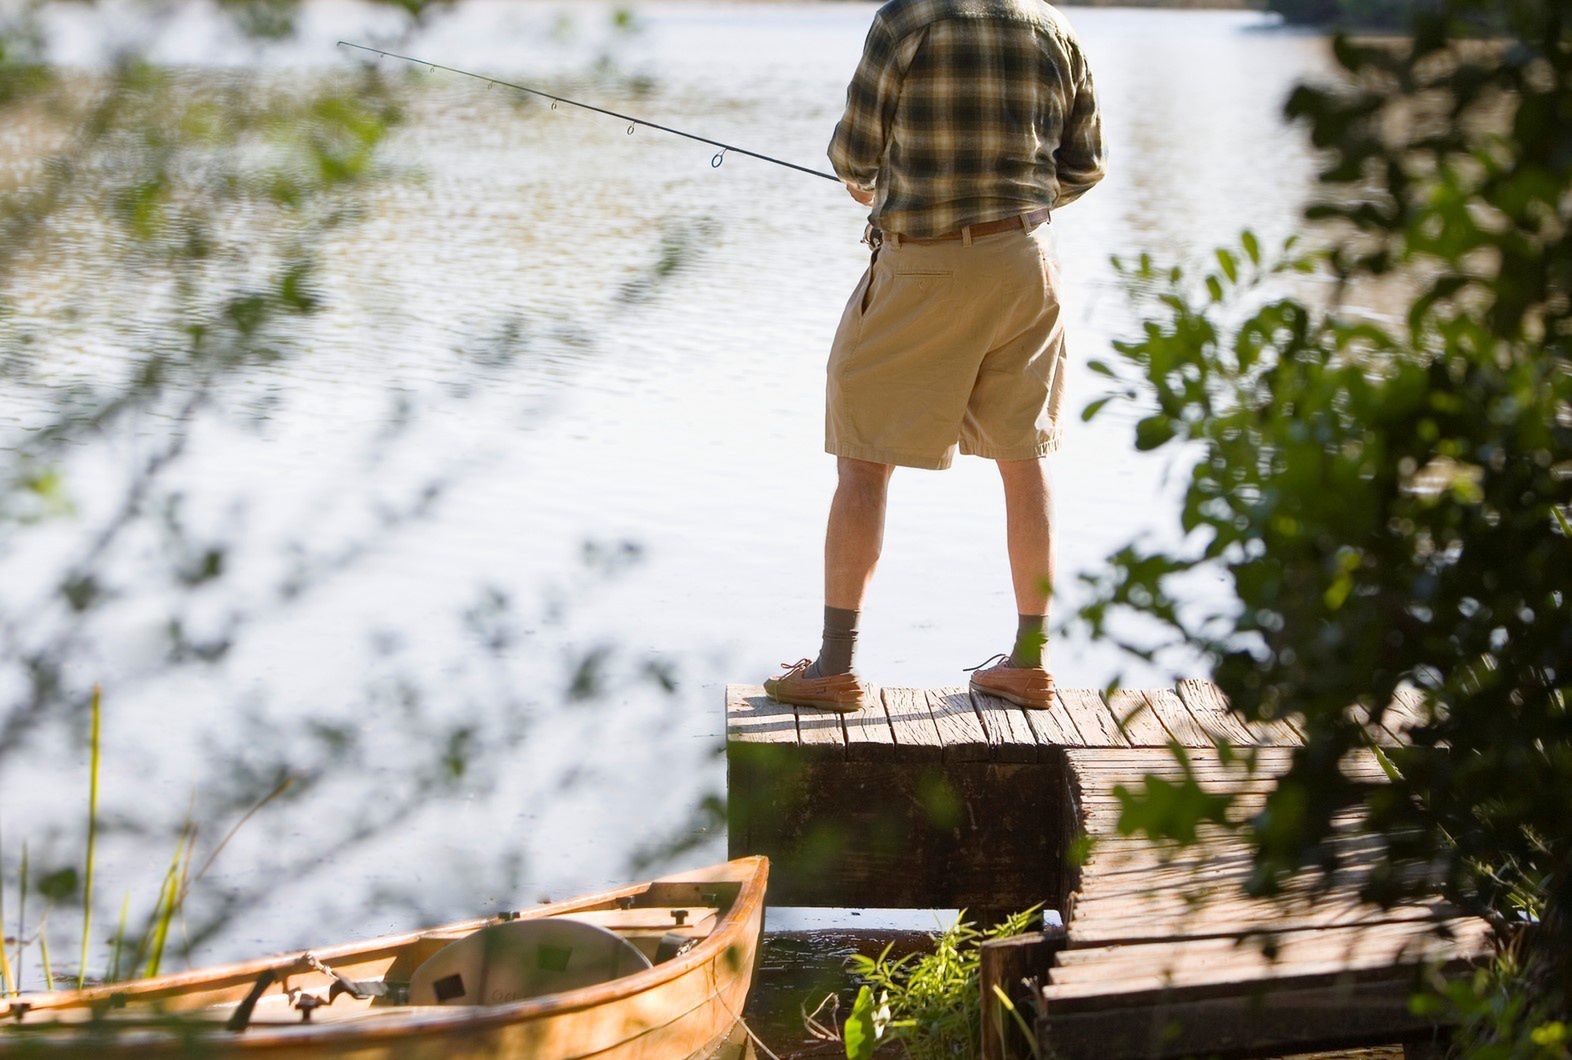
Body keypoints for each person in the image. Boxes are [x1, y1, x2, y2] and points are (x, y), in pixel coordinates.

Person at [764, 0, 1105, 714]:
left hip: (924, 265)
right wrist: (1009, 207)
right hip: (1028, 264)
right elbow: (1084, 167)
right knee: (1025, 459)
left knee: (862, 460)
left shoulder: (908, 20)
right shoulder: (1054, 28)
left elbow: (854, 156)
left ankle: (833, 667)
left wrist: (876, 186)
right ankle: (1031, 662)